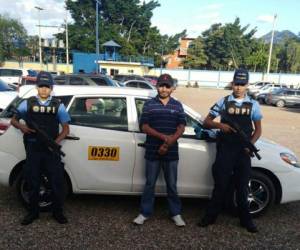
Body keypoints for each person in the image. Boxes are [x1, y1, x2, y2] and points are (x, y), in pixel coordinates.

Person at [198, 69, 262, 233]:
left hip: (243, 152)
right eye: (236, 84)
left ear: (247, 85)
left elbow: (258, 130)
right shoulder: (224, 101)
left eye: (242, 84)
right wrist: (221, 126)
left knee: (242, 188)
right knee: (220, 185)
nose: (239, 87)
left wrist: (250, 145)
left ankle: (246, 220)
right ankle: (210, 217)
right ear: (232, 84)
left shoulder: (253, 104)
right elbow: (206, 122)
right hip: (225, 149)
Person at [11, 71, 71, 225]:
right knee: (33, 182)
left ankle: (57, 212)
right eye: (41, 86)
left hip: (51, 151)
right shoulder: (28, 103)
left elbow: (66, 129)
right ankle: (33, 212)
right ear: (37, 87)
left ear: (51, 88)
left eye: (47, 86)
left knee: (56, 182)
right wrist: (22, 128)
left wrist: (55, 143)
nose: (44, 89)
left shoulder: (58, 105)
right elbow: (13, 120)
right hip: (33, 149)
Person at [133, 73, 186, 227]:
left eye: (167, 86)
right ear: (156, 86)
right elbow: (144, 126)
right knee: (149, 184)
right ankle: (144, 213)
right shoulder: (149, 105)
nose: (164, 89)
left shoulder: (178, 105)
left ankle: (175, 213)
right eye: (161, 85)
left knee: (172, 185)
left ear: (172, 88)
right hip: (152, 151)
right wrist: (164, 137)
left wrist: (169, 141)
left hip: (172, 152)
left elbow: (181, 126)